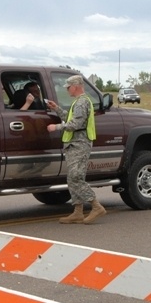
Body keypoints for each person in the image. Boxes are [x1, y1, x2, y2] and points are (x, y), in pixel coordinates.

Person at [46, 75, 106, 224]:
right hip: (75, 144)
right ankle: (78, 212)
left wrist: (56, 127)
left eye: (68, 87)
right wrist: (57, 109)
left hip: (79, 144)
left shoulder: (81, 102)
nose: (67, 89)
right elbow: (71, 118)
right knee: (72, 178)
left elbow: (75, 124)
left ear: (75, 86)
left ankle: (96, 206)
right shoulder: (79, 102)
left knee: (75, 176)